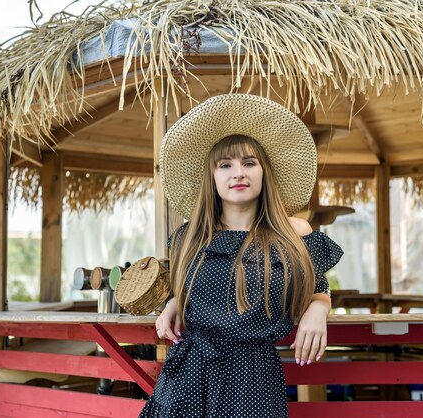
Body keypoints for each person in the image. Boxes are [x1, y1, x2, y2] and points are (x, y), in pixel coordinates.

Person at [139, 94, 343, 417]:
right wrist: (174, 303)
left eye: (249, 163)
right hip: (189, 376)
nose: (239, 173)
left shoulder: (295, 233)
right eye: (226, 165)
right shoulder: (189, 237)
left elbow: (317, 290)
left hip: (255, 379)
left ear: (264, 173)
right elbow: (188, 290)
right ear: (213, 176)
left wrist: (319, 310)